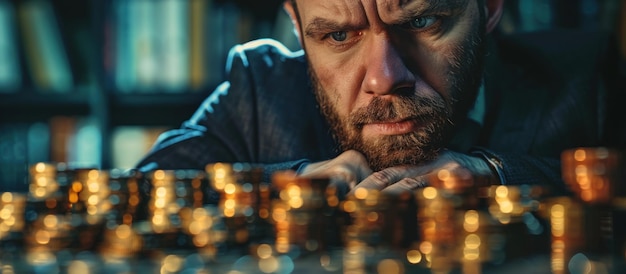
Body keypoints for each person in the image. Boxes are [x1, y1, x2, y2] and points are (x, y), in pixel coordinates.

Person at [136, 0, 623, 198]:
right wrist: (295, 183)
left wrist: (494, 174)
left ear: (489, 8)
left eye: (420, 22)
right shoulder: (261, 91)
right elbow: (143, 190)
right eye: (339, 36)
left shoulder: (585, 79)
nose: (385, 79)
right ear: (298, 29)